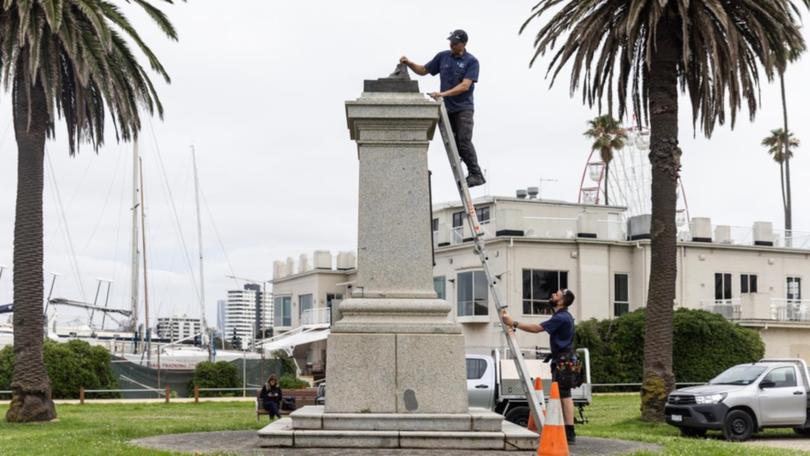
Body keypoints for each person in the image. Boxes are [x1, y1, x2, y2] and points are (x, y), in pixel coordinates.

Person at [400, 29, 485, 188]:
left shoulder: (471, 62)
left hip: (463, 108)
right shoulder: (443, 57)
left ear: (464, 44)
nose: (451, 45)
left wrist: (442, 94)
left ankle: (476, 174)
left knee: (464, 142)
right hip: (448, 109)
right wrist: (409, 63)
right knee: (455, 144)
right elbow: (424, 70)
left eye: (455, 43)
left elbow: (465, 86)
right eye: (450, 42)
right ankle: (467, 171)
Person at [501, 289, 577, 445]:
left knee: (565, 395)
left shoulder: (562, 317)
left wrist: (513, 322)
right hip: (562, 359)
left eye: (557, 294)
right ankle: (566, 429)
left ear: (561, 301)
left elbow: (536, 328)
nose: (553, 295)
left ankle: (570, 433)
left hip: (564, 360)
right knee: (562, 395)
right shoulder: (560, 315)